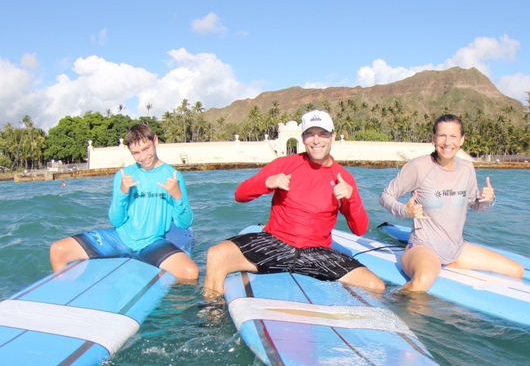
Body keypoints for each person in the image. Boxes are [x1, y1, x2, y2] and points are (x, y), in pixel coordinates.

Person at [203, 110, 385, 297]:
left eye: (322, 134)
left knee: (375, 285)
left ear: (333, 136)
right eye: (310, 134)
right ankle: (211, 316)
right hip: (275, 244)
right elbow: (240, 194)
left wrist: (351, 197)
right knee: (217, 255)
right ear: (303, 137)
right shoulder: (285, 164)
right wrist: (266, 183)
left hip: (316, 253)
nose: (316, 140)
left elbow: (360, 229)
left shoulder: (343, 178)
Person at [379, 113, 524, 292]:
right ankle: (393, 309)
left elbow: (476, 205)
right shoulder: (418, 166)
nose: (447, 142)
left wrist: (487, 199)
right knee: (422, 281)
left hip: (456, 250)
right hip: (424, 248)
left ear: (462, 140)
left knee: (517, 271)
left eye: (453, 136)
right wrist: (404, 210)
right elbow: (385, 196)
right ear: (433, 138)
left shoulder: (467, 168)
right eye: (442, 136)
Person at [49, 124, 199, 282]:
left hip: (152, 243)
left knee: (190, 272)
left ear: (155, 141)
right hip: (119, 239)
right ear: (130, 151)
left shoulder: (173, 175)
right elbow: (116, 220)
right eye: (136, 153)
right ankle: (62, 291)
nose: (142, 157)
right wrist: (122, 193)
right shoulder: (124, 175)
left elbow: (184, 223)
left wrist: (177, 196)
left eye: (146, 148)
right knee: (57, 250)